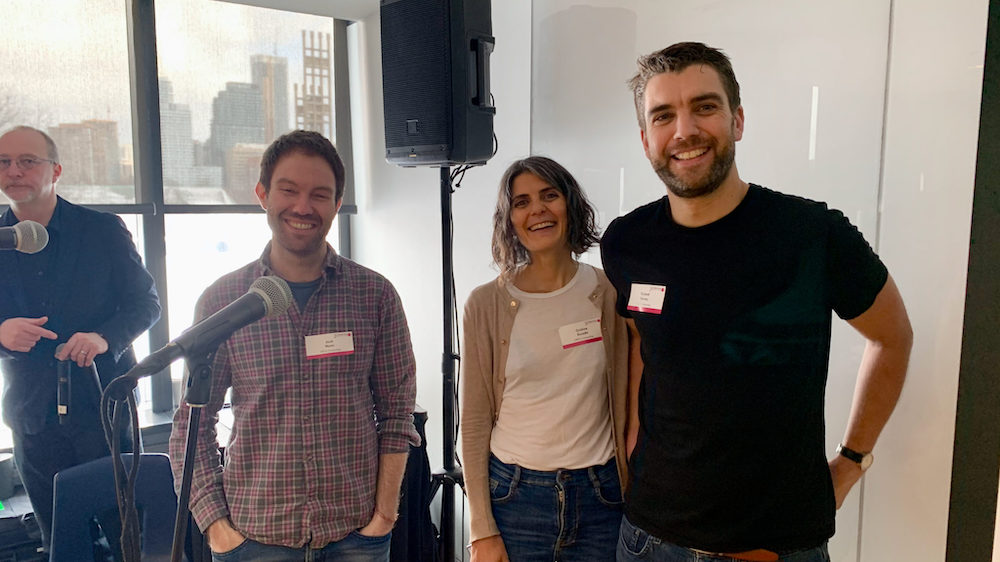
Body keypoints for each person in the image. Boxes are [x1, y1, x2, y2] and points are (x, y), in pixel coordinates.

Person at [600, 43, 913, 562]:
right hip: (650, 540)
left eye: (704, 107)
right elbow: (641, 344)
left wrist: (853, 460)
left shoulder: (812, 235)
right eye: (663, 116)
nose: (684, 131)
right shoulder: (627, 243)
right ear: (645, 139)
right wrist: (633, 442)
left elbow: (892, 336)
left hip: (778, 546)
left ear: (737, 120)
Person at [169, 130, 419, 561]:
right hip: (253, 538)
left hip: (355, 536)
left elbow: (397, 413)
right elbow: (190, 426)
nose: (304, 207)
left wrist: (384, 516)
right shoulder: (223, 301)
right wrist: (216, 527)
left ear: (338, 205)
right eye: (289, 190)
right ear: (263, 194)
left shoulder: (374, 296)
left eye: (320, 195)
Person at [459, 156, 630, 562]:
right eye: (521, 202)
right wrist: (480, 527)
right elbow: (476, 420)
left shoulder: (610, 293)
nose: (537, 209)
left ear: (569, 204)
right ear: (509, 219)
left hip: (601, 498)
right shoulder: (486, 304)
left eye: (549, 195)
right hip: (515, 499)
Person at [0, 125, 161, 551]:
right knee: (62, 542)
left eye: (27, 161)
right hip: (33, 418)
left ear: (56, 170)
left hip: (103, 409)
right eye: (3, 162)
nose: (14, 171)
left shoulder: (102, 230)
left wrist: (105, 338)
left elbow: (146, 304)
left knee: (129, 538)